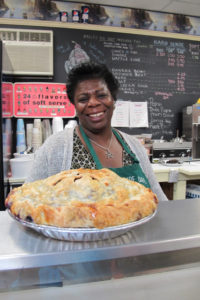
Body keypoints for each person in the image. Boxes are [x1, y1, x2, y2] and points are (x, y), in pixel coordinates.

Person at [26, 62, 168, 201]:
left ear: (113, 99)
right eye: (83, 99)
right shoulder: (55, 147)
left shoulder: (135, 147)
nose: (93, 103)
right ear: (75, 106)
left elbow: (158, 201)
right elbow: (27, 198)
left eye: (101, 95)